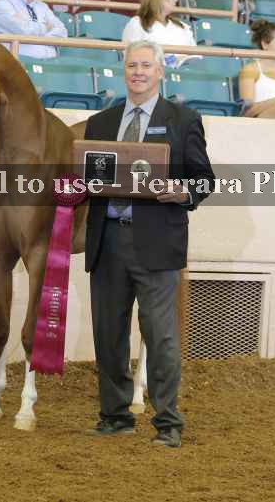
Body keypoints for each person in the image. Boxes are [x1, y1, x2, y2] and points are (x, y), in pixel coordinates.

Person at [82, 40, 216, 449]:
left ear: (160, 71)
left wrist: (183, 191)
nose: (137, 72)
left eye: (145, 65)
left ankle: (167, 422)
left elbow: (204, 180)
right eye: (131, 65)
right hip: (107, 241)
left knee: (160, 337)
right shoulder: (100, 123)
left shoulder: (183, 120)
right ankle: (115, 416)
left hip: (157, 244)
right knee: (108, 335)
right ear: (123, 71)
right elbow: (89, 179)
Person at [121, 0, 197, 67]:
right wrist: (172, 60)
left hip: (186, 73)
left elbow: (196, 56)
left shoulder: (183, 26)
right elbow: (131, 57)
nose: (176, 0)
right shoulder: (137, 24)